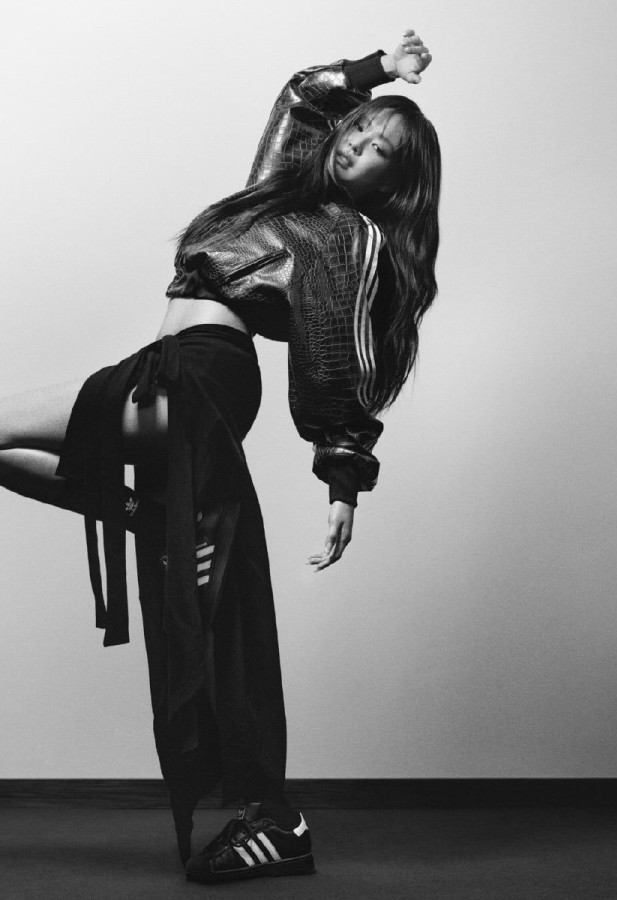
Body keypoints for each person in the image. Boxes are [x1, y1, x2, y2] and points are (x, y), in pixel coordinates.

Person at [0, 29, 440, 882]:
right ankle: (151, 516)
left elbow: (335, 358)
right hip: (162, 367)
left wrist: (342, 475)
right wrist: (379, 71)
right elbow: (302, 99)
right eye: (359, 129)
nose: (357, 144)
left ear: (397, 183)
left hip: (202, 378)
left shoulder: (347, 238)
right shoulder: (277, 196)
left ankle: (152, 518)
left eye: (381, 149)